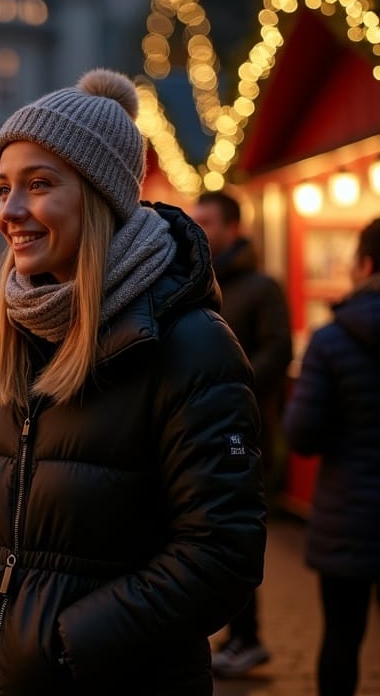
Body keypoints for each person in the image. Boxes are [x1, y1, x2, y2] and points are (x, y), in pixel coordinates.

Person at [0, 69, 267, 695]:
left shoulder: (188, 344)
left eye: (39, 185)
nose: (9, 212)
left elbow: (221, 556)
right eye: (3, 188)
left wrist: (66, 645)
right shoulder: (15, 329)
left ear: (98, 196)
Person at [191, 190, 293, 677]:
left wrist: (230, 389)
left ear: (233, 226)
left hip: (247, 434)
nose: (199, 228)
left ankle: (248, 638)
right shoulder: (192, 283)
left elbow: (278, 352)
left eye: (206, 220)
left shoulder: (261, 287)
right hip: (195, 436)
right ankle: (231, 634)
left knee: (236, 536)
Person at [283, 216, 380, 696]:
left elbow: (301, 434)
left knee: (342, 638)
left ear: (364, 263)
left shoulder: (332, 340)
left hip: (350, 517)